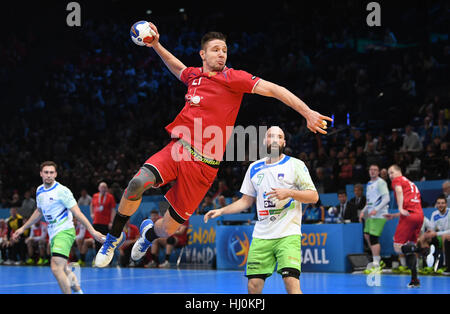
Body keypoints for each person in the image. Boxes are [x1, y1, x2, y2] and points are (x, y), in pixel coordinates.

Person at [96, 25, 332, 267]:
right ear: (203, 54)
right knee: (137, 182)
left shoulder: (234, 78)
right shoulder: (194, 76)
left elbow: (274, 89)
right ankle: (113, 238)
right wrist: (156, 45)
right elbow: (178, 68)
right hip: (179, 149)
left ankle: (148, 235)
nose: (222, 54)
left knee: (167, 228)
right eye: (216, 50)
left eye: (224, 50)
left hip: (204, 168)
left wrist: (307, 112)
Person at [204, 127, 318, 294]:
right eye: (271, 136)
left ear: (284, 143)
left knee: (291, 282)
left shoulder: (295, 165)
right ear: (265, 141)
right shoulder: (254, 168)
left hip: (288, 234)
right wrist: (221, 211)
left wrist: (290, 192)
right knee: (253, 286)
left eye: (279, 137)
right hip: (261, 236)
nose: (274, 139)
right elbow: (245, 201)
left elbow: (313, 196)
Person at [13, 161, 105, 294]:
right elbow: (39, 211)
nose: (49, 175)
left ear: (55, 174)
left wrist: (92, 231)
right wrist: (22, 228)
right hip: (53, 232)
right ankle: (79, 292)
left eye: (51, 172)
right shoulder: (39, 190)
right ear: (41, 174)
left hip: (65, 230)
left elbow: (77, 213)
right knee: (64, 269)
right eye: (46, 172)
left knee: (56, 267)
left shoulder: (63, 191)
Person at [384, 165, 424, 288]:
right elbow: (411, 205)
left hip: (408, 218)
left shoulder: (398, 180)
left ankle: (422, 250)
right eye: (389, 173)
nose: (390, 175)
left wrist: (400, 208)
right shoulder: (411, 183)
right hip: (419, 216)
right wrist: (396, 215)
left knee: (397, 247)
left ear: (399, 172)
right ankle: (414, 279)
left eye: (392, 172)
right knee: (409, 248)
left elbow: (399, 191)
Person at [359, 164, 390, 272]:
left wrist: (376, 209)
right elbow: (369, 202)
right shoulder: (369, 184)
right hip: (371, 215)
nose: (372, 171)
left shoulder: (381, 182)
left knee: (373, 237)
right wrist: (363, 211)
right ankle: (376, 259)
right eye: (371, 169)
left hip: (379, 214)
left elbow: (386, 198)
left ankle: (376, 263)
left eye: (375, 170)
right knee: (367, 235)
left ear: (378, 172)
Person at [417, 195, 450, 273]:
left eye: (442, 203)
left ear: (446, 204)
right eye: (438, 203)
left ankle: (446, 264)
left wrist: (436, 233)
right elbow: (432, 227)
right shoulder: (434, 214)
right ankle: (424, 264)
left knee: (444, 237)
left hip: (446, 235)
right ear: (436, 204)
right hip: (438, 235)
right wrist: (429, 232)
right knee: (423, 237)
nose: (440, 205)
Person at [90, 182, 116, 253]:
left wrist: (111, 221)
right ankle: (97, 259)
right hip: (96, 222)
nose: (103, 189)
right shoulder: (95, 196)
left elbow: (113, 210)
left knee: (106, 241)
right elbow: (91, 205)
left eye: (105, 187)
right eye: (101, 187)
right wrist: (92, 213)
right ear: (99, 188)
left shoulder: (110, 197)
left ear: (107, 189)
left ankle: (107, 261)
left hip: (106, 223)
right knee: (96, 241)